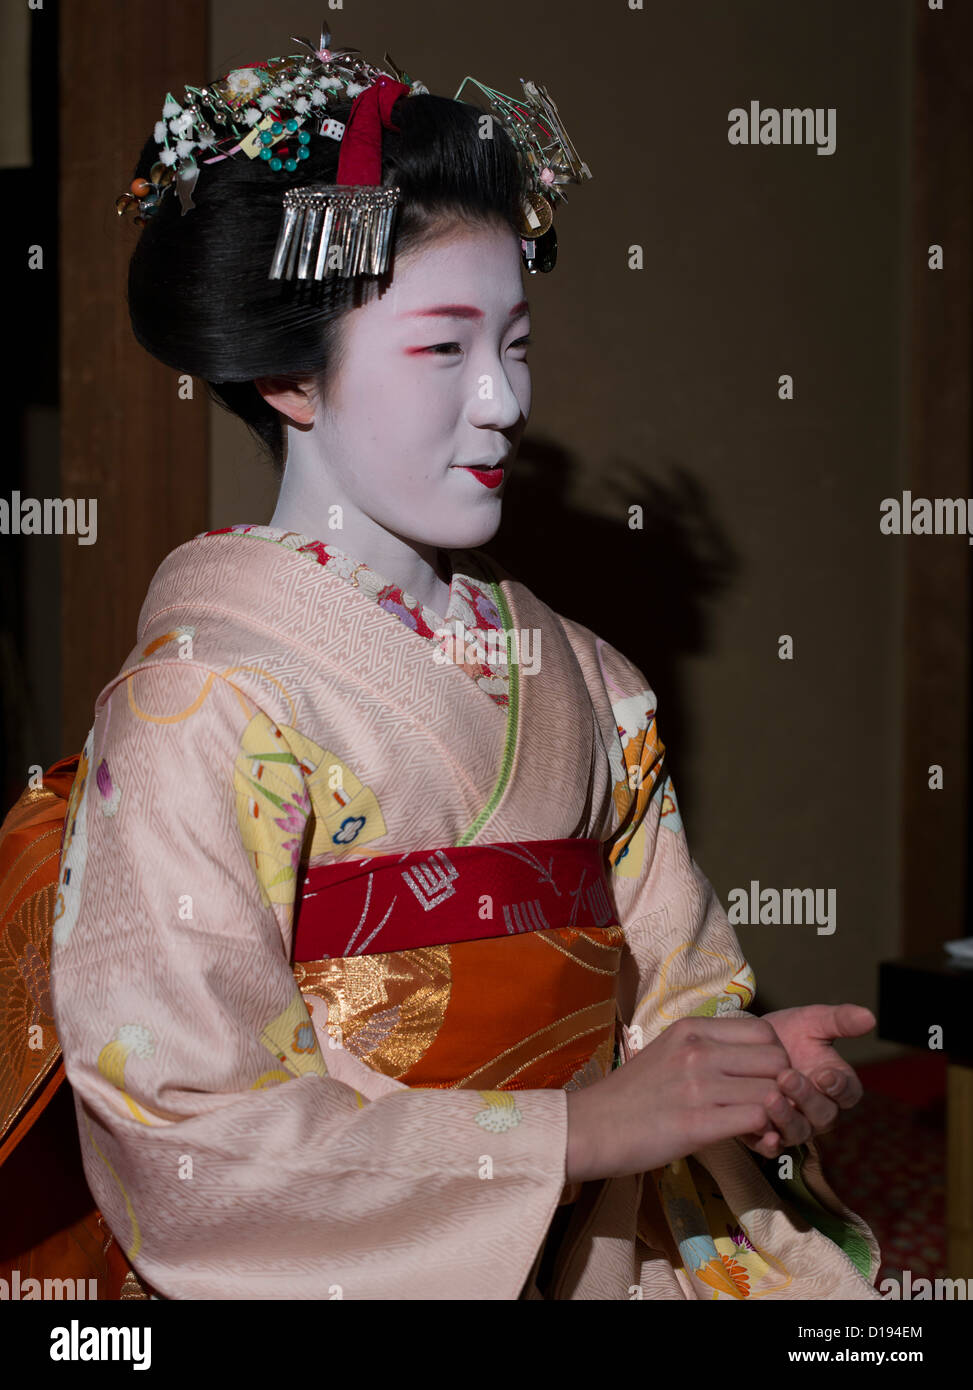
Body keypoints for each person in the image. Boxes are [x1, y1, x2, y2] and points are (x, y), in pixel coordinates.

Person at [45, 28, 882, 1300]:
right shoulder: (196, 706)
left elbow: (671, 987)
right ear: (287, 374)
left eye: (517, 342)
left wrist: (737, 1073)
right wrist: (574, 1129)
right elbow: (188, 1128)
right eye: (444, 347)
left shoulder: (591, 680)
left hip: (591, 1253)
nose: (502, 400)